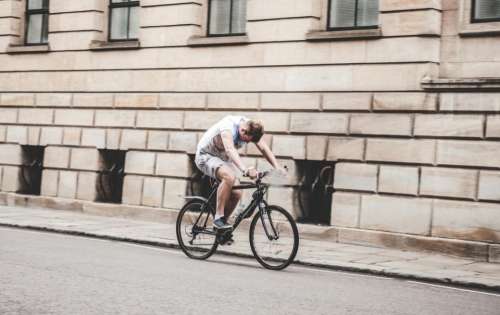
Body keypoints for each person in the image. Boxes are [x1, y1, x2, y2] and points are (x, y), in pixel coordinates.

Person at [195, 115, 284, 231]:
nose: (246, 143)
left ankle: (222, 229)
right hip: (206, 156)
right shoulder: (228, 126)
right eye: (246, 140)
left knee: (237, 193)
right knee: (229, 177)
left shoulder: (251, 128)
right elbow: (230, 150)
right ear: (243, 131)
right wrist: (245, 170)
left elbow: (263, 148)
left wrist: (277, 167)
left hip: (222, 159)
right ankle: (218, 218)